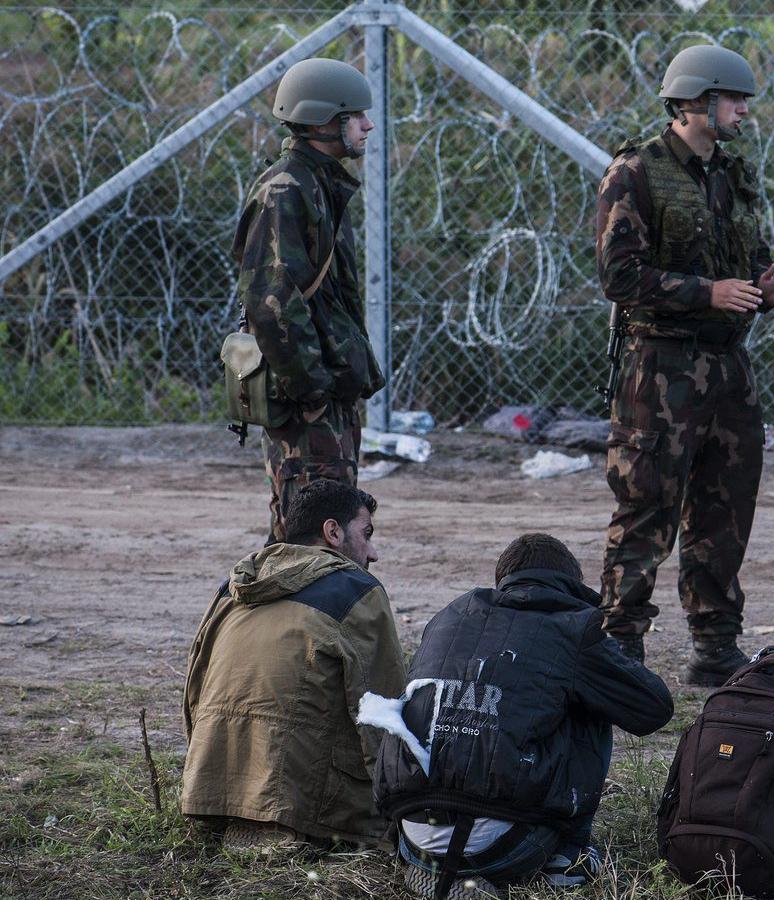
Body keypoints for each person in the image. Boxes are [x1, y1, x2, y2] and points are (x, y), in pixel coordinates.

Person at [594, 44, 774, 685]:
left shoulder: (731, 175)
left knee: (725, 512)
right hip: (660, 370)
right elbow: (619, 274)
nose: (745, 111)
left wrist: (761, 288)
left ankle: (715, 644)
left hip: (727, 367)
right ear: (697, 101)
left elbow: (745, 261)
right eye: (734, 99)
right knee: (646, 509)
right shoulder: (635, 173)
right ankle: (621, 648)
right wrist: (706, 292)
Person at [365, 533, 674, 899]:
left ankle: (436, 873)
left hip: (412, 836)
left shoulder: (448, 618)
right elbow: (654, 708)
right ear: (571, 585)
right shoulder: (572, 628)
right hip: (507, 847)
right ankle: (566, 859)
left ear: (505, 580)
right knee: (593, 696)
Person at [182, 479, 404, 848]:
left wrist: (200, 772)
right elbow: (384, 713)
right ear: (332, 532)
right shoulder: (357, 589)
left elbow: (195, 688)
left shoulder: (234, 586)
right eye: (366, 533)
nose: (373, 553)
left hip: (210, 790)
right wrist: (399, 812)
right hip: (298, 806)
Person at [236, 57, 385, 543]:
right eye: (356, 116)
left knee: (328, 527)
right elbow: (270, 300)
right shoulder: (288, 189)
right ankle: (285, 620)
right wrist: (313, 390)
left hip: (323, 397)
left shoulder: (317, 184)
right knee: (309, 538)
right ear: (324, 121)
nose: (367, 125)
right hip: (307, 406)